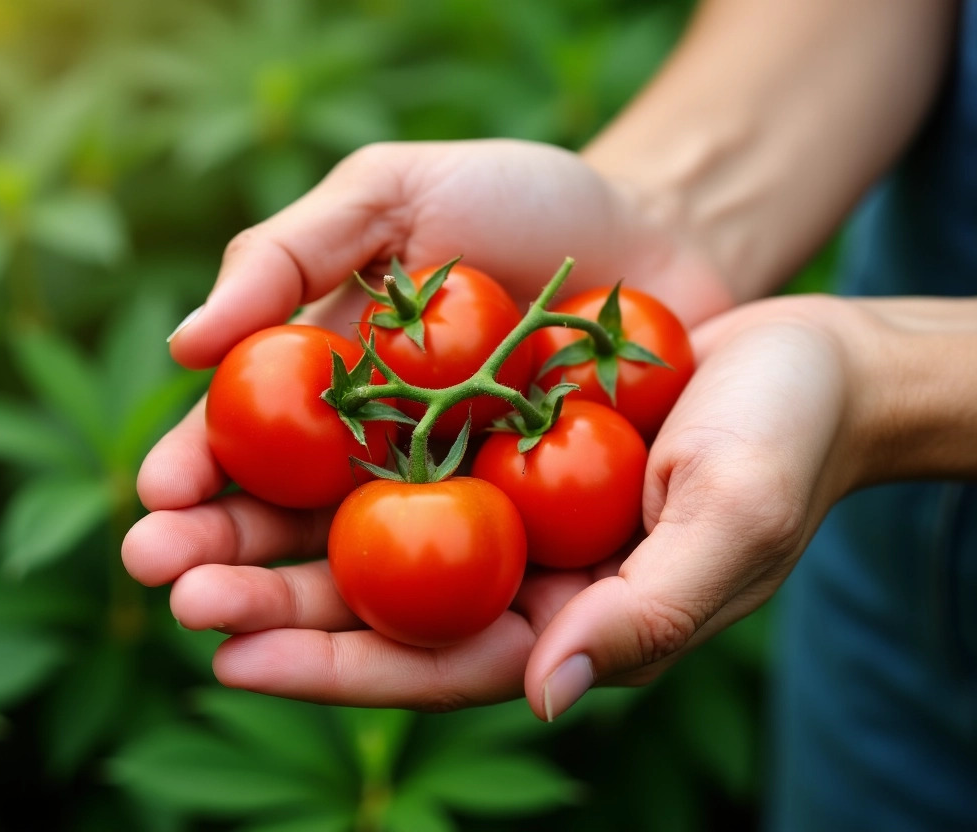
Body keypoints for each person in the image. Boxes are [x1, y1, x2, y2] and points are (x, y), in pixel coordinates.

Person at [123, 0, 977, 827]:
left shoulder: (426, 403)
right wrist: (669, 208)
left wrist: (884, 379)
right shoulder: (449, 389)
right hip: (895, 618)